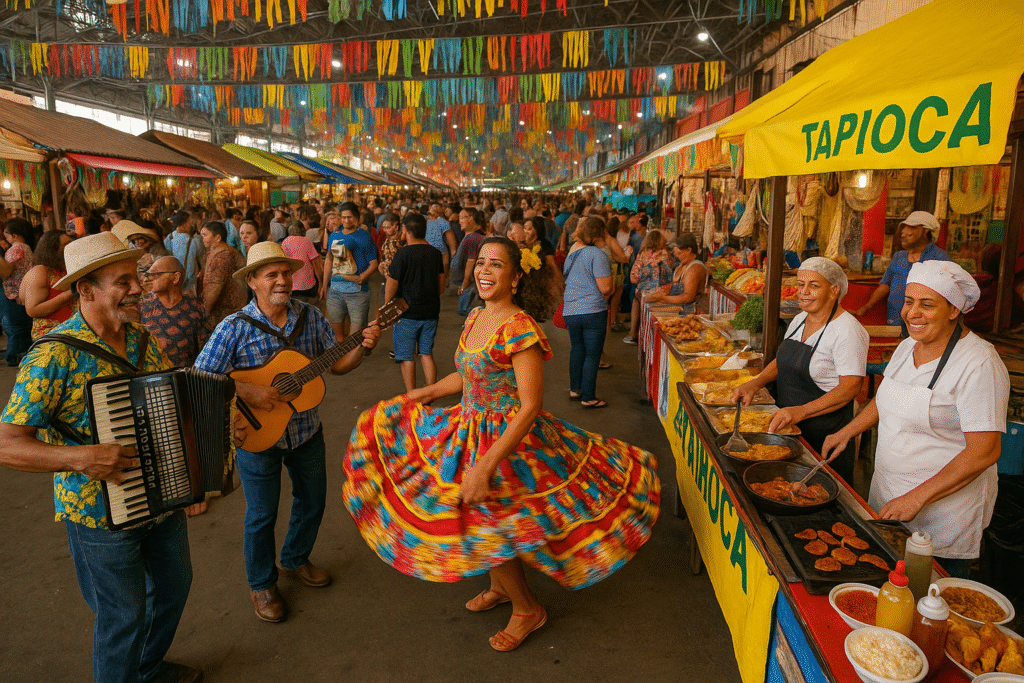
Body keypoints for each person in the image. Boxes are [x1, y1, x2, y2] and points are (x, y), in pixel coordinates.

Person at [343, 235, 660, 652]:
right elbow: (467, 375)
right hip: (467, 428)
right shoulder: (475, 317)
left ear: (514, 277)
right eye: (481, 263)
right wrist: (423, 394)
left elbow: (530, 406)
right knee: (480, 521)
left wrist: (486, 465)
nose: (485, 271)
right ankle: (500, 585)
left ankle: (528, 608)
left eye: (496, 265)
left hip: (510, 441)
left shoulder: (520, 327)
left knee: (490, 526)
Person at [0, 232, 202, 683]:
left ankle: (145, 669)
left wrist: (193, 469)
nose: (137, 289)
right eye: (123, 281)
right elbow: (7, 443)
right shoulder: (53, 355)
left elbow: (170, 398)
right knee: (122, 617)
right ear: (86, 290)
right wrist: (81, 458)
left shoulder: (143, 340)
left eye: (138, 278)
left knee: (173, 589)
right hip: (96, 512)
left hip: (159, 500)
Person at [194, 241, 381, 623]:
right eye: (271, 275)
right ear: (253, 282)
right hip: (257, 438)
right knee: (261, 515)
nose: (282, 280)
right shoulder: (233, 327)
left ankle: (295, 559)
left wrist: (362, 345)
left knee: (313, 501)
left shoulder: (309, 317)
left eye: (285, 273)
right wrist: (250, 391)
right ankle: (262, 584)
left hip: (306, 432)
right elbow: (201, 378)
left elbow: (337, 364)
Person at [822, 261, 1008, 576]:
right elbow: (887, 399)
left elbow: (985, 451)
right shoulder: (908, 345)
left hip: (944, 517)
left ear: (953, 310)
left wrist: (918, 497)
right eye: (909, 302)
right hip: (890, 496)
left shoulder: (979, 364)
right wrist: (847, 431)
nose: (912, 313)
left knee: (926, 599)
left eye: (927, 304)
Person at [732, 258, 868, 484]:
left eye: (814, 286)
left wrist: (801, 411)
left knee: (815, 492)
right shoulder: (799, 319)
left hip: (823, 434)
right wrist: (756, 382)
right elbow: (782, 360)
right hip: (789, 427)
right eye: (800, 284)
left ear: (834, 290)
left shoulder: (848, 331)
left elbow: (850, 387)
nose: (803, 292)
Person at [853, 211, 951, 333]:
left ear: (926, 230)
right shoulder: (899, 257)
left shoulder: (939, 257)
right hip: (895, 319)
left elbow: (947, 294)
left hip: (923, 323)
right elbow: (885, 285)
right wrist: (867, 306)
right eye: (904, 227)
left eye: (912, 227)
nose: (904, 232)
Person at [385, 213, 444, 392]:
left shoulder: (403, 254)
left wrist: (386, 305)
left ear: (405, 230)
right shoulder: (435, 253)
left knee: (406, 356)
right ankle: (430, 392)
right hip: (431, 312)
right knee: (426, 353)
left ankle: (412, 396)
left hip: (406, 313)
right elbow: (441, 286)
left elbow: (392, 282)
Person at [562, 217, 614, 407]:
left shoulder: (573, 253)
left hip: (571, 310)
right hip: (592, 310)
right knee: (592, 354)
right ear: (599, 233)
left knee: (577, 349)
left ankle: (575, 390)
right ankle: (589, 397)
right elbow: (606, 288)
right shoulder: (597, 254)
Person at [139, 256, 211, 368]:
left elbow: (205, 352)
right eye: (148, 275)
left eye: (154, 274)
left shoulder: (196, 308)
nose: (147, 279)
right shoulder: (142, 308)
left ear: (175, 277)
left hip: (187, 379)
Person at [321, 202, 378, 340]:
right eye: (343, 217)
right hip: (335, 291)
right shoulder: (334, 236)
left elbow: (374, 263)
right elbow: (329, 260)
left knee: (356, 337)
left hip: (357, 293)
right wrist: (324, 285)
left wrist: (361, 278)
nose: (346, 220)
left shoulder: (364, 236)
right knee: (337, 336)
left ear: (357, 218)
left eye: (350, 217)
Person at [20, 229, 76, 339]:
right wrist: (68, 294)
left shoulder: (66, 267)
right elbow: (32, 310)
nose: (71, 247)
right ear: (52, 249)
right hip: (53, 336)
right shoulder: (40, 272)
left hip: (73, 331)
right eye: (66, 244)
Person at [623, 230, 673, 345]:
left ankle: (633, 332)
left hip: (645, 291)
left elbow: (634, 278)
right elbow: (670, 274)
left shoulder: (642, 254)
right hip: (663, 290)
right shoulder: (666, 254)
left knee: (636, 298)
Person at [0, 217, 35, 365]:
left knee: (14, 330)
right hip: (25, 293)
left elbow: (7, 270)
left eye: (6, 234)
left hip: (14, 294)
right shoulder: (27, 248)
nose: (5, 238)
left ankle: (13, 358)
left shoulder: (15, 249)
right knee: (24, 329)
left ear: (14, 235)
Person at [645, 233, 709, 314]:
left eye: (679, 253)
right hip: (679, 309)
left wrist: (662, 298)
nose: (676, 256)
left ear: (689, 250)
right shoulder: (681, 266)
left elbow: (687, 297)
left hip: (692, 313)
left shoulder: (695, 268)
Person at [198, 221, 247, 326]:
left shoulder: (222, 257)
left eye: (205, 235)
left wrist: (204, 312)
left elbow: (214, 288)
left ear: (217, 237)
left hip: (227, 315)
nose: (203, 239)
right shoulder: (216, 252)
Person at [455, 208, 488, 316]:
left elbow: (471, 261)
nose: (460, 221)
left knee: (466, 311)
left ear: (471, 219)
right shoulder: (471, 236)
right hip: (469, 282)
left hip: (470, 283)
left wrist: (465, 284)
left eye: (462, 217)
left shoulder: (473, 238)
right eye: (459, 218)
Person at [281, 224, 323, 305]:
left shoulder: (285, 242)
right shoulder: (306, 241)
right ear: (303, 231)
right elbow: (315, 264)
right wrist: (321, 283)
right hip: (308, 285)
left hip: (292, 286)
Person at [164, 211, 203, 294]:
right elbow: (201, 259)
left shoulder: (169, 238)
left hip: (174, 278)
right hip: (190, 280)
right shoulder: (195, 240)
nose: (191, 224)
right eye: (190, 222)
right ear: (184, 223)